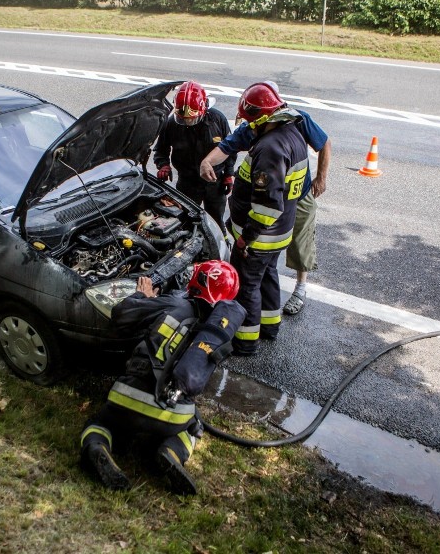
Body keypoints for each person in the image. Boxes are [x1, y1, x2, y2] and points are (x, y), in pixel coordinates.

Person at [80, 261, 246, 495]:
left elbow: (120, 316)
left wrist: (143, 296)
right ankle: (172, 451)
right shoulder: (217, 334)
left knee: (101, 422)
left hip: (126, 398)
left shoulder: (171, 303)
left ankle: (96, 443)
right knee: (191, 427)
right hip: (172, 416)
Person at [200, 81, 331, 316]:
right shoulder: (257, 125)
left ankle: (300, 289)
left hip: (295, 199)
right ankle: (270, 321)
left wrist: (321, 178)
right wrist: (207, 161)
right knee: (269, 264)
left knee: (298, 247)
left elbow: (324, 143)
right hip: (274, 207)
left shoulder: (295, 123)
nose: (248, 125)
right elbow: (228, 147)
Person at [218, 82, 309, 356]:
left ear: (261, 118)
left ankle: (245, 342)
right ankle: (270, 325)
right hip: (280, 233)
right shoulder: (292, 134)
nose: (248, 127)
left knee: (247, 286)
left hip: (260, 236)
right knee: (268, 276)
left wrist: (246, 238)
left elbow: (268, 204)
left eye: (249, 121)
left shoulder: (270, 147)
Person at [153, 81, 236, 232]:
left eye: (191, 118)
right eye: (184, 119)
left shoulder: (218, 119)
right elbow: (160, 150)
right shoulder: (172, 124)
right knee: (186, 222)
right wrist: (163, 164)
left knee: (217, 223)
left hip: (214, 182)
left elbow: (230, 148)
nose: (188, 122)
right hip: (187, 184)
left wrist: (229, 174)